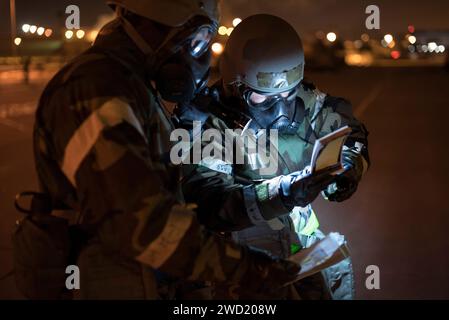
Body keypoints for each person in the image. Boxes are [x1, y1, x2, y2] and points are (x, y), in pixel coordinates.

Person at [22, 1, 301, 300]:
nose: (200, 55)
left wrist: (281, 194)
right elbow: (141, 223)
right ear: (152, 24)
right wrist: (245, 268)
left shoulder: (134, 86)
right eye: (196, 40)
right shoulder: (97, 89)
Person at [176, 14, 370, 299]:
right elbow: (208, 201)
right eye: (264, 97)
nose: (280, 108)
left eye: (287, 93)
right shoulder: (202, 122)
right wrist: (282, 194)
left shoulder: (306, 101)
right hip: (235, 273)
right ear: (235, 84)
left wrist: (350, 165)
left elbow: (350, 130)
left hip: (300, 259)